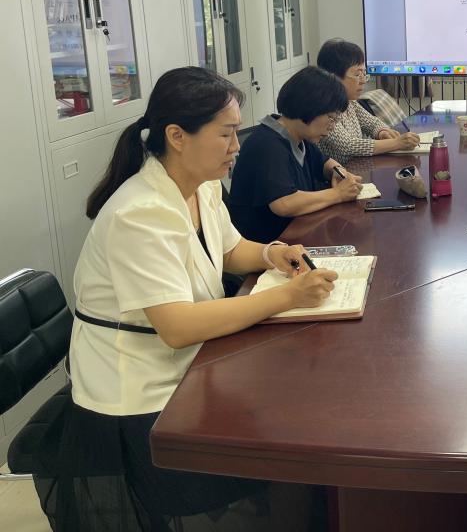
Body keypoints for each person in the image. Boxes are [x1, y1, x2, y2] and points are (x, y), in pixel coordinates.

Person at [37, 66, 337, 531]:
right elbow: (177, 327)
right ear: (177, 136)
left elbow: (229, 250)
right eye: (226, 134)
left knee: (297, 405)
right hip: (141, 396)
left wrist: (273, 253)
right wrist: (286, 297)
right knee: (290, 443)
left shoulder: (203, 185)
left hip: (190, 363)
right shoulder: (139, 213)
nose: (236, 147)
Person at [228, 65, 362, 242]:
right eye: (331, 118)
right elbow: (284, 203)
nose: (332, 126)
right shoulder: (267, 144)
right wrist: (338, 194)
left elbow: (324, 162)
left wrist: (338, 172)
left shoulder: (299, 136)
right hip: (267, 247)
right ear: (309, 106)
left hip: (295, 236)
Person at [316, 39, 420, 161]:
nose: (363, 81)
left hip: (356, 166)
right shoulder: (324, 109)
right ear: (333, 77)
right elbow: (348, 145)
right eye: (357, 75)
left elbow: (371, 123)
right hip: (339, 170)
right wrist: (397, 143)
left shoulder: (350, 102)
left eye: (364, 74)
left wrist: (382, 131)